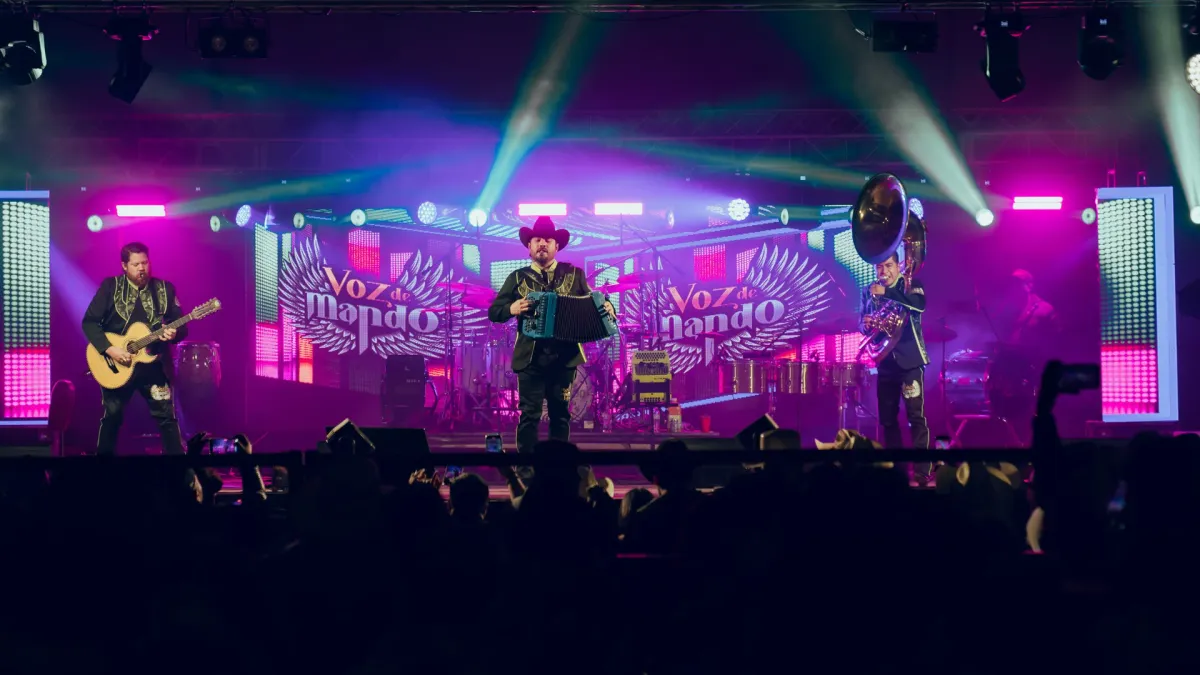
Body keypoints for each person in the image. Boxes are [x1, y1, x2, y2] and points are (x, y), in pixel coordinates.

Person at [488, 217, 614, 475]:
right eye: (537, 240)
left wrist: (607, 305)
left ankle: (559, 470)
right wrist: (511, 308)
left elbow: (594, 302)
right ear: (529, 246)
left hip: (564, 357)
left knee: (561, 414)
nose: (542, 244)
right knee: (529, 416)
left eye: (548, 240)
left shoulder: (575, 274)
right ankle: (526, 470)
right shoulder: (517, 278)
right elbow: (494, 312)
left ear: (557, 246)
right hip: (530, 358)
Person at [82, 242, 188, 455]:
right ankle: (101, 470)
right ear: (124, 266)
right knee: (112, 417)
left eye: (145, 263)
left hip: (154, 366)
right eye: (136, 264)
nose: (142, 268)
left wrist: (174, 333)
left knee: (167, 418)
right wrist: (110, 349)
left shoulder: (165, 289)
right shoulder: (110, 287)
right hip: (116, 365)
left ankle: (179, 471)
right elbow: (89, 323)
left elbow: (182, 326)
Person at [859, 251, 930, 478]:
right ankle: (897, 472)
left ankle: (922, 471)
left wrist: (888, 293)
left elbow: (919, 305)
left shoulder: (911, 284)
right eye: (880, 267)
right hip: (885, 362)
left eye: (889, 266)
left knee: (915, 417)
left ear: (898, 266)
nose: (884, 271)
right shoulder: (868, 291)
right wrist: (866, 325)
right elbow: (861, 322)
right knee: (888, 419)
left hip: (910, 361)